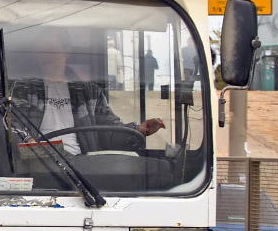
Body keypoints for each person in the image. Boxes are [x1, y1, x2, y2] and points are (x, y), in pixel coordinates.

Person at [10, 30, 163, 156]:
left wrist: (137, 131)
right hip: (42, 164)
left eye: (50, 49)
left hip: (82, 168)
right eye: (40, 50)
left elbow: (109, 130)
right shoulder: (23, 90)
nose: (44, 55)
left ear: (66, 52)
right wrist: (28, 140)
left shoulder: (90, 93)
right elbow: (13, 124)